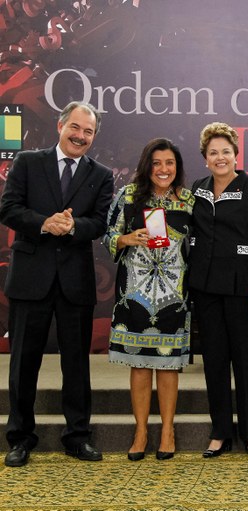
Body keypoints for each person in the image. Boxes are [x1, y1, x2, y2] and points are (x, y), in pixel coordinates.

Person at [0, 101, 114, 467]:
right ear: (60, 125)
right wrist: (44, 223)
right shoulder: (28, 162)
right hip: (30, 279)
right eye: (76, 128)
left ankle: (78, 437)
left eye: (89, 132)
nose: (81, 136)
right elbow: (8, 208)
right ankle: (19, 438)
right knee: (23, 365)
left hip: (75, 283)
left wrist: (74, 227)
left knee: (77, 366)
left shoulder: (102, 174)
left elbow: (100, 222)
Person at [103, 138, 194, 461]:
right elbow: (108, 234)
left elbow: (197, 247)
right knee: (140, 365)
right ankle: (140, 430)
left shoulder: (188, 201)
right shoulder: (128, 196)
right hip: (135, 293)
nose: (163, 169)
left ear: (177, 167)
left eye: (169, 163)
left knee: (169, 365)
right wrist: (126, 238)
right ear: (147, 165)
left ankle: (167, 430)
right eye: (157, 163)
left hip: (174, 294)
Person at [189, 122, 248, 459]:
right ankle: (220, 431)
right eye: (213, 152)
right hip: (205, 288)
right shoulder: (196, 189)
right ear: (205, 158)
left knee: (246, 362)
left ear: (236, 155)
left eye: (226, 151)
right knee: (214, 361)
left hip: (242, 289)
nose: (220, 157)